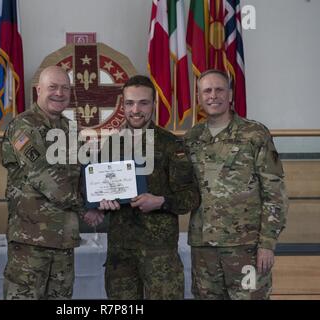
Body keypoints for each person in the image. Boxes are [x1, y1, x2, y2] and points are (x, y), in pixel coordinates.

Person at [86, 75, 200, 299]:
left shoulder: (171, 145)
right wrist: (100, 204)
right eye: (129, 103)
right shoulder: (111, 143)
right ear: (123, 105)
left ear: (154, 105)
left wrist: (160, 201)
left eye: (143, 103)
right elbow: (100, 189)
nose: (135, 110)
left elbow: (191, 196)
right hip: (121, 252)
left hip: (159, 253)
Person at [184, 69, 288, 300]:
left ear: (230, 94)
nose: (213, 95)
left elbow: (274, 192)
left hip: (246, 247)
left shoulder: (254, 134)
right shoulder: (191, 138)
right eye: (207, 91)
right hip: (204, 248)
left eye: (219, 89)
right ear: (199, 98)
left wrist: (267, 244)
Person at [1, 66, 91, 299]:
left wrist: (100, 198)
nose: (59, 93)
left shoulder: (71, 130)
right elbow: (41, 174)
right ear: (38, 90)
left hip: (64, 241)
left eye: (65, 88)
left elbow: (83, 174)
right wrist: (86, 206)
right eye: (53, 87)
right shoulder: (23, 127)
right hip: (31, 241)